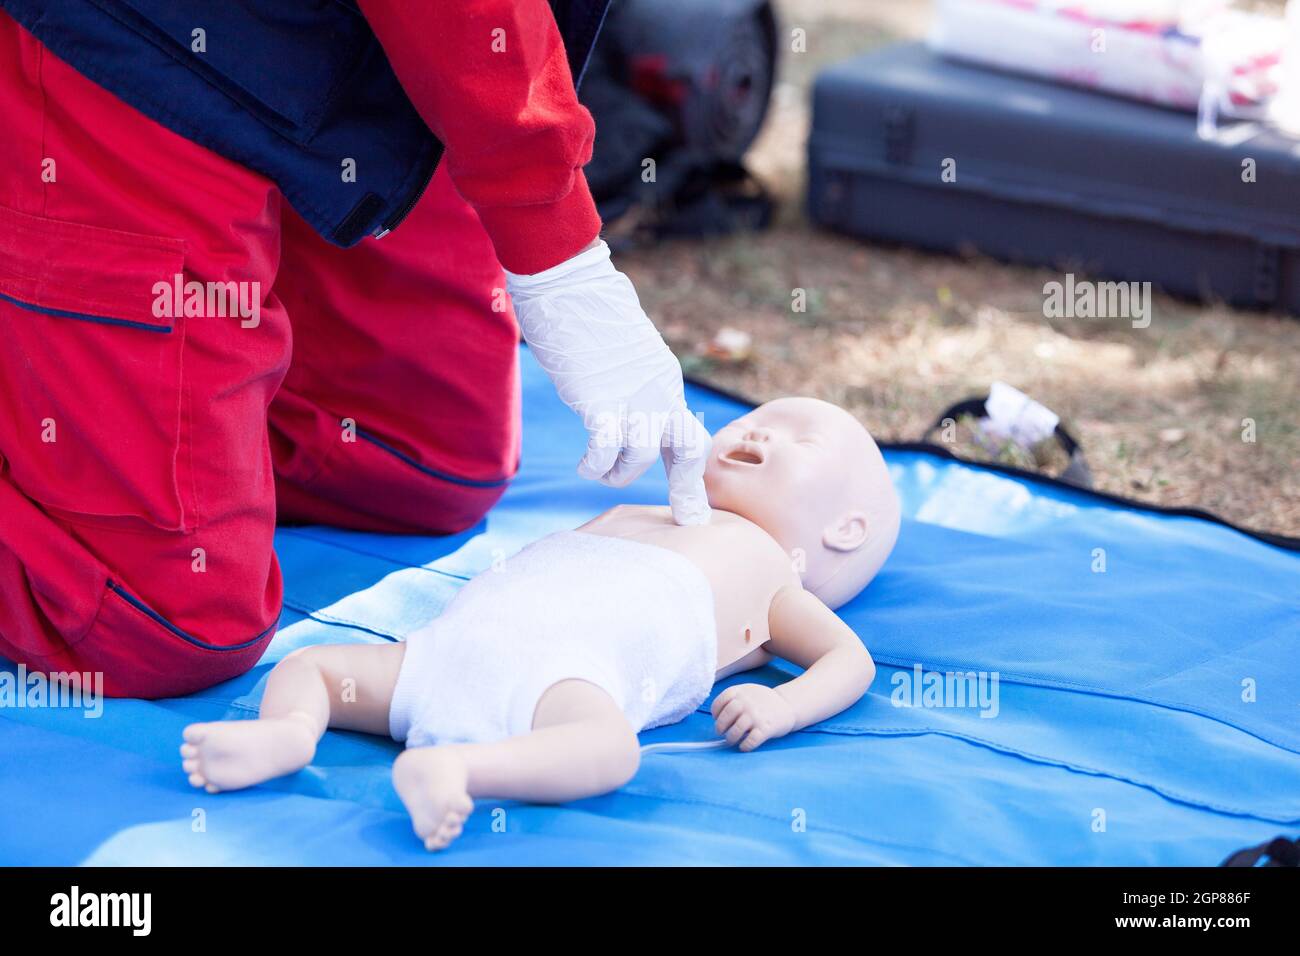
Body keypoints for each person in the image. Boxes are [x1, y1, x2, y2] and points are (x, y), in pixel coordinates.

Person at [0, 1, 710, 698]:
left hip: (323, 39)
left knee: (417, 459)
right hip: (125, 33)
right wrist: (554, 241)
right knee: (151, 620)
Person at [178, 397, 902, 851]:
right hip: (444, 652)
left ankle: (462, 770)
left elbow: (850, 660)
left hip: (564, 680)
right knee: (311, 666)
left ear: (845, 529)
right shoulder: (653, 510)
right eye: (758, 419)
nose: (760, 431)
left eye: (798, 441)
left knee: (609, 748)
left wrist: (783, 704)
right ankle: (289, 735)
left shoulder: (773, 573)